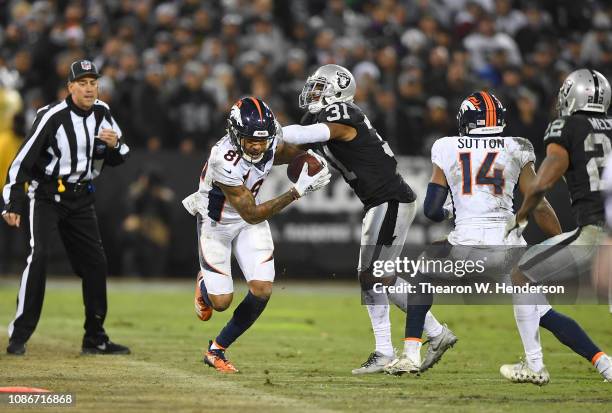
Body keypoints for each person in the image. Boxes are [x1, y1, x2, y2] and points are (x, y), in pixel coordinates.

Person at [280, 64, 455, 375]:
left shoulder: (343, 113)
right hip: (382, 200)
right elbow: (296, 146)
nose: (312, 92)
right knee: (380, 276)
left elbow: (311, 134)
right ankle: (436, 333)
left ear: (338, 91)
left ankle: (386, 351)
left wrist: (271, 131)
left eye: (320, 87)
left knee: (371, 275)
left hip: (389, 199)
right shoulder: (319, 118)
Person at [406, 91, 561, 375]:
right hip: (508, 245)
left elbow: (431, 210)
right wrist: (560, 243)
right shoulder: (518, 146)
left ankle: (413, 351)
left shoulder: (447, 146)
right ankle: (600, 361)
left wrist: (447, 213)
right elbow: (539, 206)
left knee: (420, 275)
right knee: (544, 312)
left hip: (465, 245)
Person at [183, 96, 330, 373]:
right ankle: (205, 284)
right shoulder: (222, 159)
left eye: (262, 141)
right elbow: (250, 212)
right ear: (234, 134)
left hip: (249, 223)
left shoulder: (269, 142)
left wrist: (308, 160)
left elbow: (285, 153)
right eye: (249, 139)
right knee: (221, 303)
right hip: (218, 225)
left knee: (262, 290)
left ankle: (217, 350)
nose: (256, 146)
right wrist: (297, 190)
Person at [1, 59, 131, 355]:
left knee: (96, 264)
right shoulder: (52, 116)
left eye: (93, 83)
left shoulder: (103, 112)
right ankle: (19, 335)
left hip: (81, 197)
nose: (89, 88)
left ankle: (95, 337)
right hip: (46, 195)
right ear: (70, 87)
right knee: (40, 256)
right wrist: (13, 201)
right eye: (82, 83)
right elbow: (22, 161)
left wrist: (114, 145)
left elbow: (122, 153)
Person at [503, 69, 612, 384]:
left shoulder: (568, 126)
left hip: (596, 231)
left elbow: (542, 183)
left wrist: (521, 216)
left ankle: (534, 365)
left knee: (521, 272)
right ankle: (605, 367)